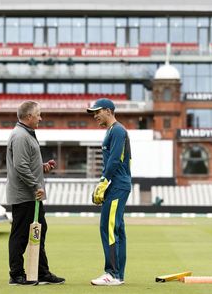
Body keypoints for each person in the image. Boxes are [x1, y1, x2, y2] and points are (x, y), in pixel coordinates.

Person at [6, 101, 65, 286]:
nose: (41, 118)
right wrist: (35, 184)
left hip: (31, 195)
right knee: (21, 235)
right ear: (29, 116)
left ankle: (41, 271)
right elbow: (20, 166)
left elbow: (27, 164)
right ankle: (16, 274)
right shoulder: (21, 136)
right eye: (38, 114)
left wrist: (42, 168)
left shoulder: (26, 134)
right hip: (25, 195)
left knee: (39, 232)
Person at [87, 98, 131, 286]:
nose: (95, 116)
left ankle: (111, 274)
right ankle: (118, 275)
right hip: (117, 184)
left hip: (116, 185)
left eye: (97, 112)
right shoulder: (114, 131)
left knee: (109, 228)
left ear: (108, 110)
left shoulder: (118, 130)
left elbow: (114, 160)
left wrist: (103, 182)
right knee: (117, 230)